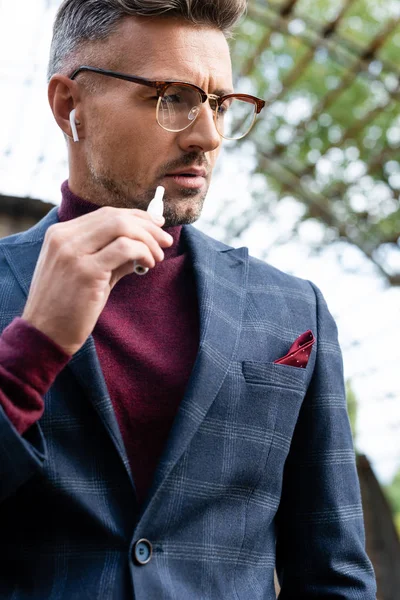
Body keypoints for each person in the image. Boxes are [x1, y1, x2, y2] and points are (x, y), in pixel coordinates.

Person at [0, 1, 376, 598]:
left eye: (221, 104)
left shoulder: (291, 309)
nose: (209, 136)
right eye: (171, 97)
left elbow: (332, 575)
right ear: (69, 106)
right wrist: (33, 349)